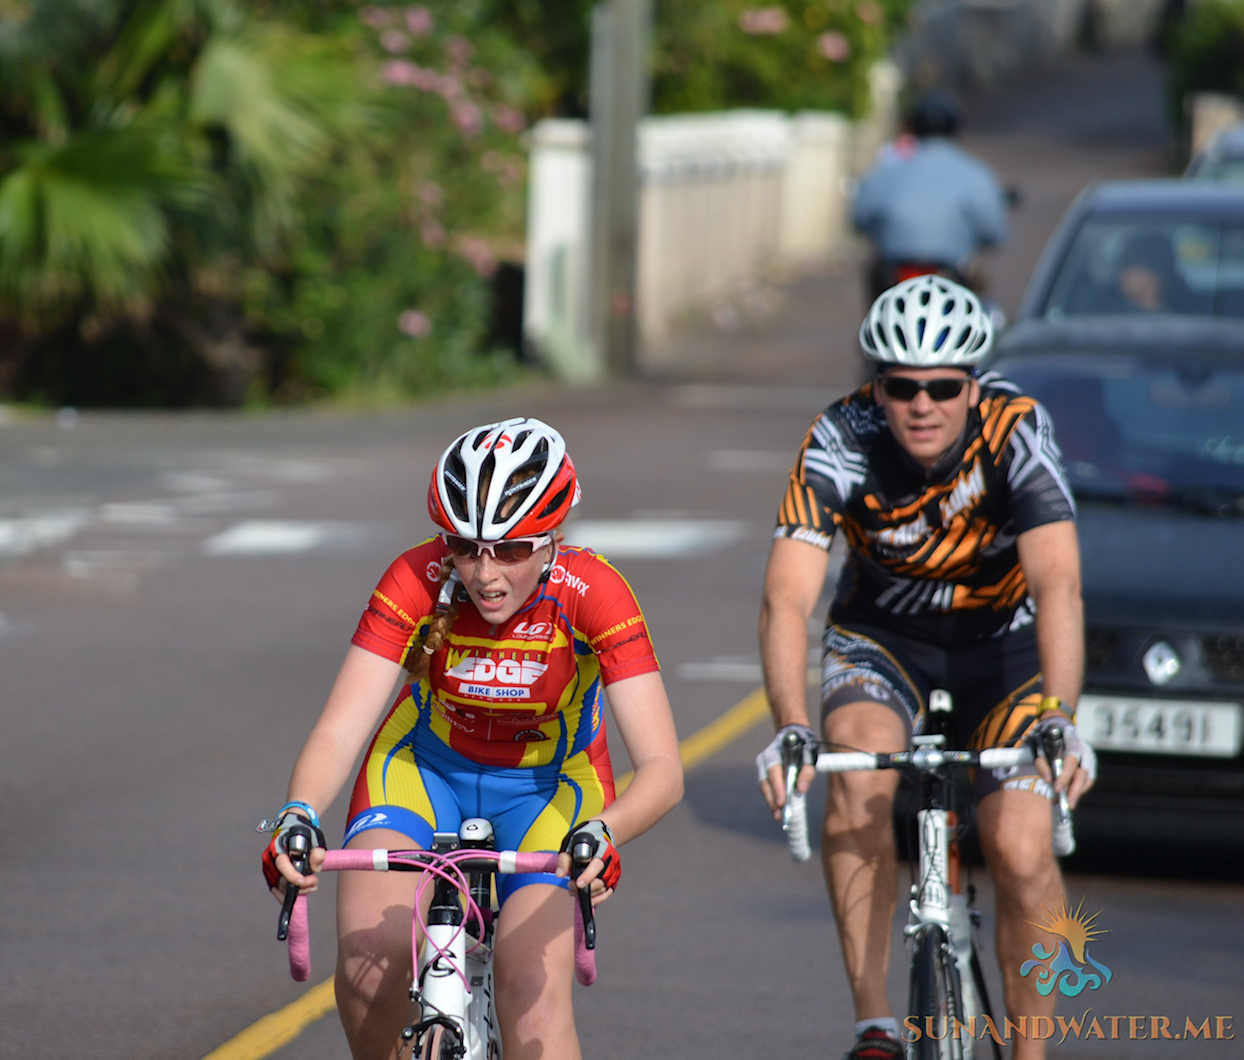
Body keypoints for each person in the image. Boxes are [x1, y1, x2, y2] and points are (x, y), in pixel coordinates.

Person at [262, 417, 683, 1060]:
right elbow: (341, 727)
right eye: (465, 545)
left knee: (531, 998)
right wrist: (297, 814)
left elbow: (661, 768)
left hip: (550, 788)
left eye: (511, 550)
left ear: (552, 540)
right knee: (370, 964)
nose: (485, 573)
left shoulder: (594, 592)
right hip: (421, 770)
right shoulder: (417, 576)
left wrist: (607, 832)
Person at [754, 276, 1097, 1060]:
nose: (922, 404)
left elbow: (1059, 585)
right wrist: (792, 727)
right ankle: (875, 1023)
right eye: (901, 385)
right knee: (859, 785)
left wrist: (1061, 718)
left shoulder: (1016, 429)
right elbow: (785, 598)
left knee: (1017, 843)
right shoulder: (841, 434)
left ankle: (1031, 1050)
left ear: (973, 383)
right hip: (884, 643)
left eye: (944, 386)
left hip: (1003, 650)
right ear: (877, 384)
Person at [853, 91, 1009, 306]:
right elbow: (993, 234)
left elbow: (859, 219)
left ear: (914, 127)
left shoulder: (887, 170)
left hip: (892, 275)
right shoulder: (975, 174)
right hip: (951, 275)